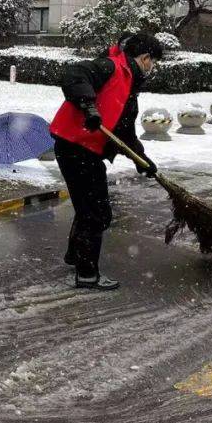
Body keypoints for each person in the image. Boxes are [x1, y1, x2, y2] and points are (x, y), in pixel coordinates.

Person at [49, 33, 165, 291]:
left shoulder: (129, 84)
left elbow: (124, 133)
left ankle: (76, 257)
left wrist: (142, 160)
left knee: (89, 208)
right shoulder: (112, 66)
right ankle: (87, 274)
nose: (152, 68)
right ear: (145, 58)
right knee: (96, 212)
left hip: (84, 150)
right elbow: (75, 74)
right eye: (152, 62)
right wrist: (88, 106)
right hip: (75, 146)